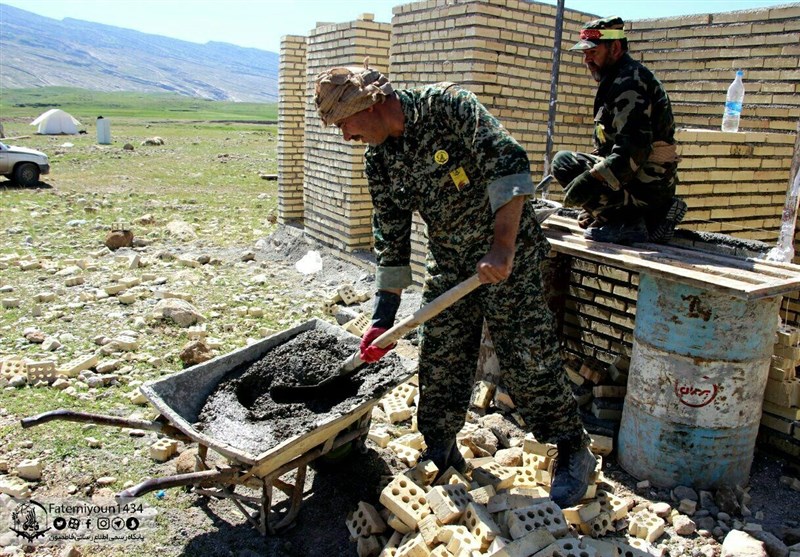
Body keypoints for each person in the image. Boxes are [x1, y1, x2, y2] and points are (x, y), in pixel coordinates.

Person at [314, 63, 595, 509]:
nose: (347, 137)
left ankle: (571, 448)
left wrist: (502, 248)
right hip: (451, 262)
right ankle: (441, 449)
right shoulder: (380, 161)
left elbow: (509, 161)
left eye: (345, 124)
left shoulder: (447, 107)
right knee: (440, 356)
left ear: (368, 104)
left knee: (528, 356)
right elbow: (392, 237)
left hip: (508, 255)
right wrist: (381, 318)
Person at [551, 16, 686, 245]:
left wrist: (590, 181)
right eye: (585, 54)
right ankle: (643, 217)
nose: (587, 60)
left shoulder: (630, 82)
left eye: (592, 52)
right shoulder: (618, 79)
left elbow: (632, 150)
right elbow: (609, 147)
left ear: (614, 48)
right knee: (578, 168)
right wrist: (594, 205)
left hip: (647, 184)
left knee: (564, 163)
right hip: (643, 182)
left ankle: (629, 224)